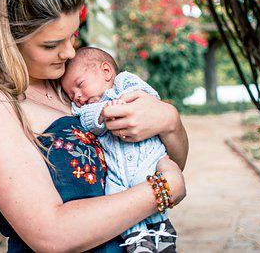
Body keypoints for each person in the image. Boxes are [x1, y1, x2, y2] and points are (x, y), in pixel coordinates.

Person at [0, 0, 188, 252]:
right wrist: (159, 192)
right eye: (51, 45)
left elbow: (158, 162)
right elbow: (51, 234)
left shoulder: (69, 85)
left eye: (73, 35)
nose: (70, 52)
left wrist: (170, 122)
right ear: (8, 38)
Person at [61, 47, 177, 252]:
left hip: (147, 157)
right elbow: (89, 122)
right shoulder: (86, 108)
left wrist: (128, 100)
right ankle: (137, 238)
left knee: (153, 184)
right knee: (118, 195)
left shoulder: (125, 82)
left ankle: (161, 230)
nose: (77, 96)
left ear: (106, 72)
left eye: (80, 85)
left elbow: (150, 97)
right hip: (117, 169)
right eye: (71, 94)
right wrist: (103, 113)